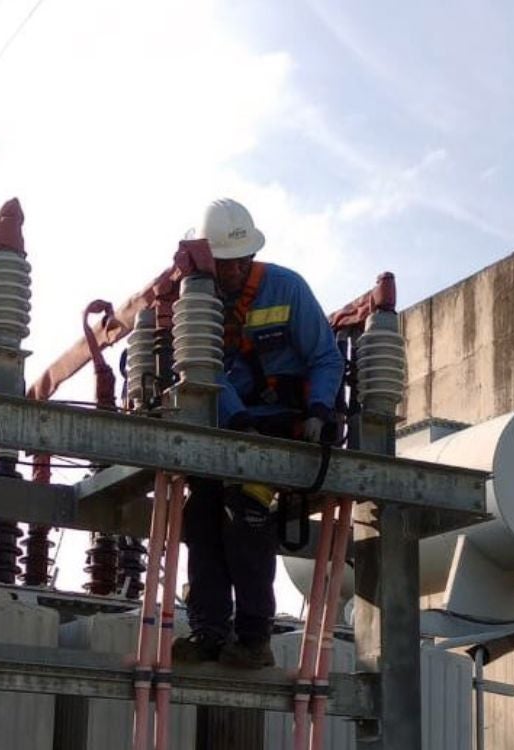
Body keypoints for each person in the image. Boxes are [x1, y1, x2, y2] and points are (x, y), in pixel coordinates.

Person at [172, 198, 344, 668]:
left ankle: (253, 639)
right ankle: (208, 631)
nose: (232, 272)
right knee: (201, 514)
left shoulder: (286, 289)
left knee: (245, 512)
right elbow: (205, 370)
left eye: (238, 262)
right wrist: (234, 418)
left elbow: (326, 357)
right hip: (234, 428)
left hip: (282, 426)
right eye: (223, 264)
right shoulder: (200, 303)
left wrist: (319, 409)